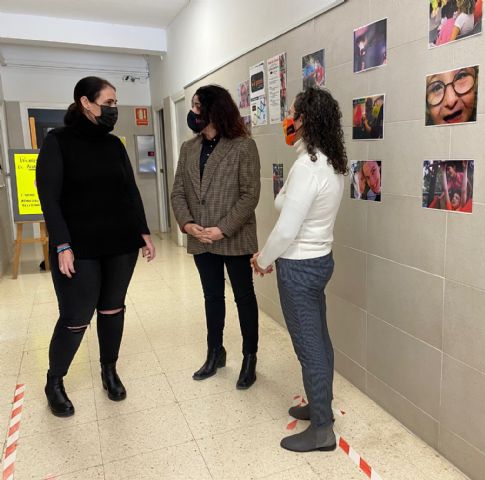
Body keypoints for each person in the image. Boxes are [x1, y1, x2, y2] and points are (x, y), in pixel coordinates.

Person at [36, 76, 155, 417]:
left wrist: (143, 232)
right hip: (78, 246)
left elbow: (130, 190)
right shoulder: (58, 142)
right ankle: (54, 380)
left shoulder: (113, 144)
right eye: (109, 103)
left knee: (112, 308)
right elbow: (50, 199)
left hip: (119, 242)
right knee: (76, 318)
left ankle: (109, 369)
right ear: (86, 103)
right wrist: (61, 245)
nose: (114, 109)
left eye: (116, 103)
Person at [251, 87, 347, 452]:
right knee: (319, 339)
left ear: (305, 119)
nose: (287, 120)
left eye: (292, 113)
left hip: (300, 266)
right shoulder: (328, 162)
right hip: (319, 261)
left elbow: (287, 229)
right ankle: (320, 408)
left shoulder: (307, 167)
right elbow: (287, 205)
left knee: (310, 348)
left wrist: (263, 259)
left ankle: (322, 429)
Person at [171, 85, 261, 389]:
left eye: (198, 106)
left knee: (244, 298)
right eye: (193, 106)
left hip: (233, 237)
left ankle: (250, 357)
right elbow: (178, 192)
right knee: (212, 297)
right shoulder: (189, 148)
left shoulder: (243, 146)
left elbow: (250, 195)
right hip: (201, 238)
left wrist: (222, 228)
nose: (193, 112)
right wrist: (187, 225)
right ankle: (215, 352)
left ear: (214, 110)